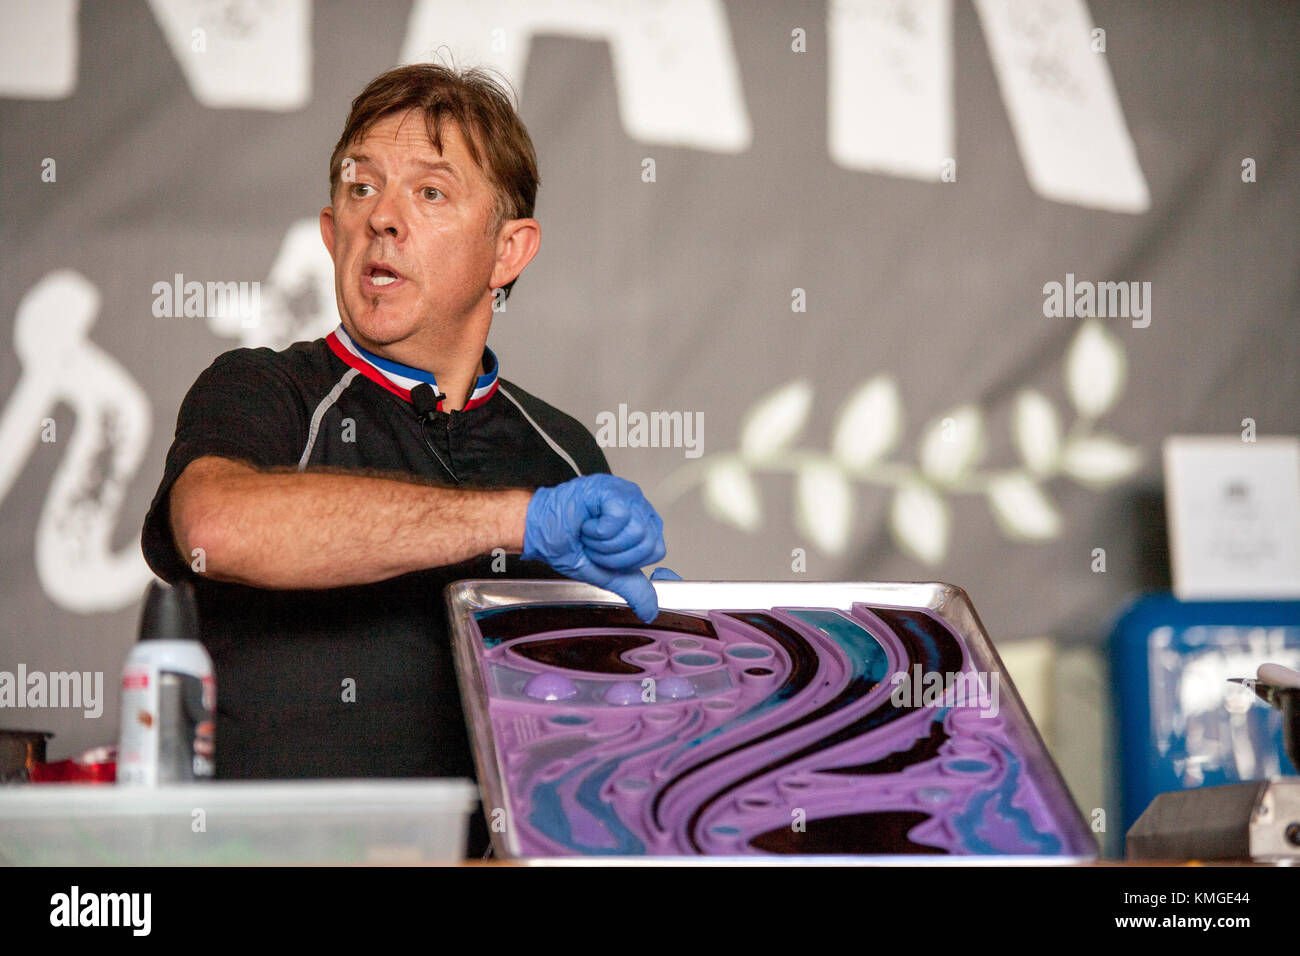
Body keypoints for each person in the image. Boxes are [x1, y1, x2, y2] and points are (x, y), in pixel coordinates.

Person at [139, 63, 670, 852]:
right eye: (360, 189)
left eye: (430, 192)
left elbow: (589, 762)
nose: (382, 218)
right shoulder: (263, 388)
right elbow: (218, 525)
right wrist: (518, 520)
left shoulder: (563, 453)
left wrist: (672, 655)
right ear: (331, 232)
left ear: (508, 251)